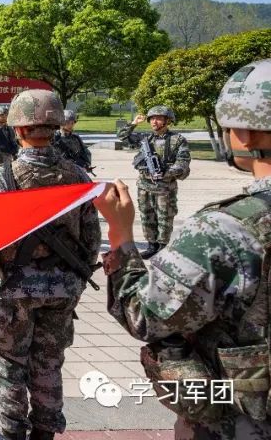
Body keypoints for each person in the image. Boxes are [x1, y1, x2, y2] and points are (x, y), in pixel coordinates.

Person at [95, 59, 271, 440]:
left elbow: (145, 314)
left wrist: (121, 236)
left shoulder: (225, 229)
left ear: (245, 133)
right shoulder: (148, 140)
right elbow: (128, 141)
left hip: (244, 423)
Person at [0, 89, 100, 440]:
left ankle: (13, 433)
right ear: (55, 127)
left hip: (16, 291)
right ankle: (44, 432)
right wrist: (76, 279)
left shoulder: (5, 177)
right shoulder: (78, 175)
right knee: (49, 362)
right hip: (62, 290)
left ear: (18, 129)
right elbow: (92, 237)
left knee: (8, 364)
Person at [117, 105, 192, 258]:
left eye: (158, 118)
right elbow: (122, 136)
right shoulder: (145, 139)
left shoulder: (177, 140)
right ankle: (151, 245)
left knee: (165, 218)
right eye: (152, 119)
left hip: (165, 187)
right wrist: (134, 123)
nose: (154, 121)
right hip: (144, 186)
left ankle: (163, 247)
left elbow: (183, 162)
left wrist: (165, 173)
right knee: (146, 216)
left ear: (167, 121)